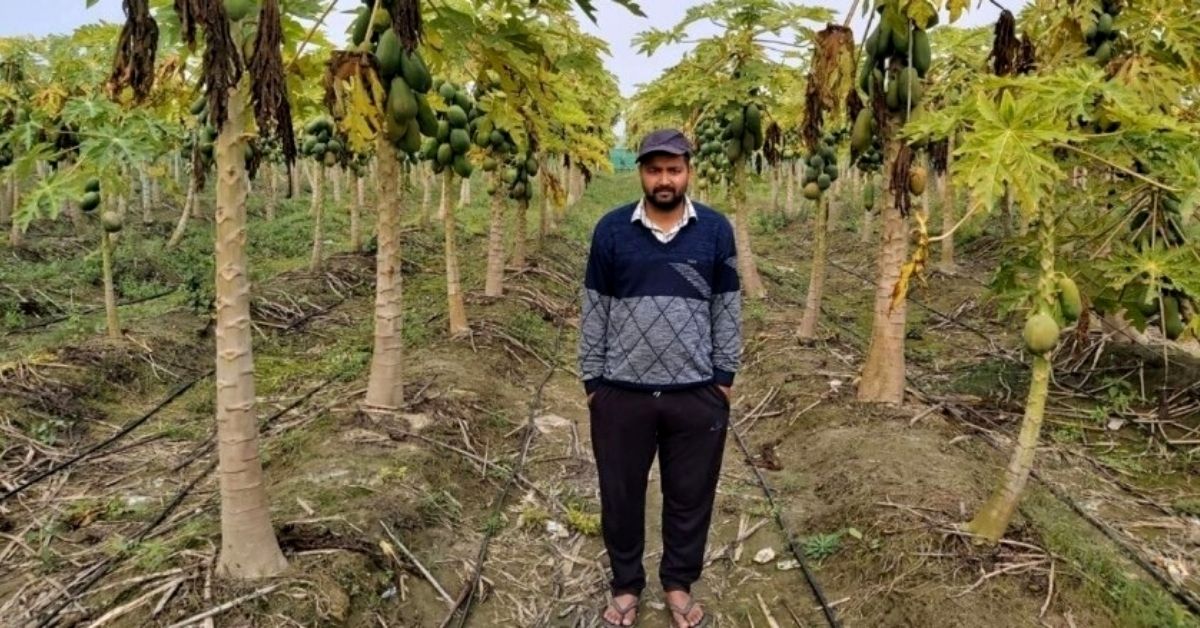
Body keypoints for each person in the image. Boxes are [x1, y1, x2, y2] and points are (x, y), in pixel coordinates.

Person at [578, 128, 742, 627]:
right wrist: (593, 382)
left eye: (674, 169)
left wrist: (723, 376)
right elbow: (594, 309)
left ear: (689, 170)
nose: (664, 179)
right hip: (622, 392)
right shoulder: (610, 231)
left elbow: (727, 307)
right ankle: (626, 586)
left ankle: (677, 584)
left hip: (695, 392)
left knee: (690, 496)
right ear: (641, 173)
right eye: (655, 169)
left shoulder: (716, 230)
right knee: (621, 494)